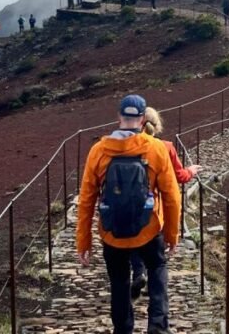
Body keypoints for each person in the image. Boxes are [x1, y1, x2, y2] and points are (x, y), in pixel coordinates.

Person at [76, 95, 181, 334]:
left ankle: (123, 330)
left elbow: (86, 200)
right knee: (157, 267)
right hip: (148, 229)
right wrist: (171, 235)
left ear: (119, 117)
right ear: (142, 119)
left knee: (119, 281)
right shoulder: (155, 148)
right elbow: (172, 196)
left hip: (111, 232)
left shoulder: (98, 150)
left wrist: (83, 241)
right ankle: (157, 325)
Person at [129, 107, 202, 300]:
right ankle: (153, 289)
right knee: (155, 250)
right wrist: (191, 171)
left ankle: (138, 273)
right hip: (156, 208)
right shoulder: (166, 147)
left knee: (134, 240)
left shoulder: (127, 146)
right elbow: (179, 176)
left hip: (131, 205)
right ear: (158, 125)